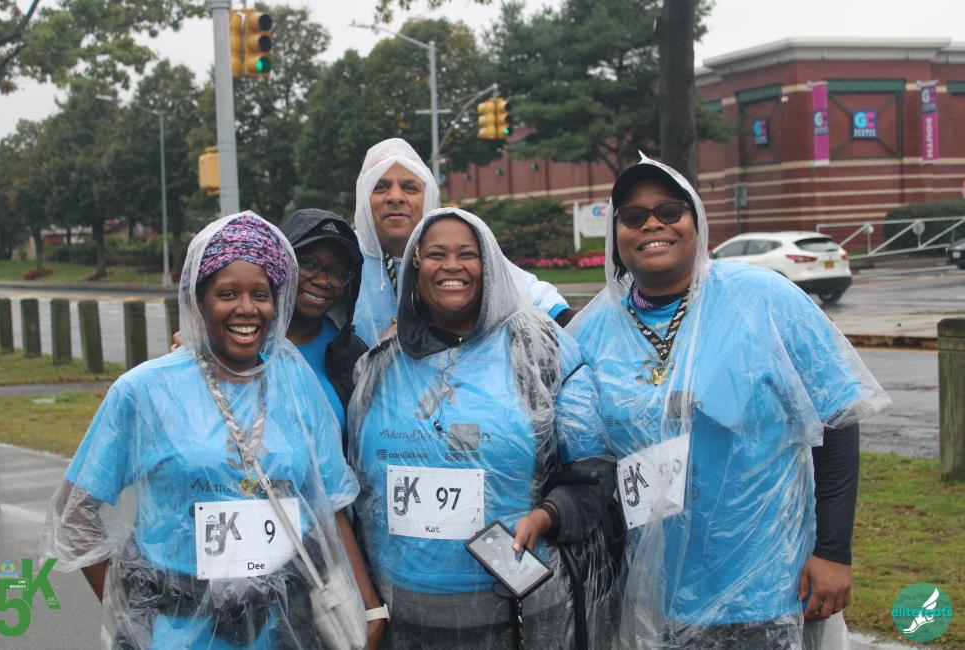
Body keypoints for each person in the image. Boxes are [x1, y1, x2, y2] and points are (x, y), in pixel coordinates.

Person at [568, 154, 891, 649]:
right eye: (633, 216)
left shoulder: (763, 299)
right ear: (615, 234)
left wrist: (833, 550)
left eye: (670, 211)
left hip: (769, 588)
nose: (652, 224)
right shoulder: (592, 332)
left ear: (696, 221)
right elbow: (582, 462)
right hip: (652, 596)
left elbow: (837, 420)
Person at [43, 212, 385, 649]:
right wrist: (128, 612)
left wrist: (370, 608)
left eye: (260, 294)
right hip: (179, 632)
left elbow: (329, 504)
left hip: (285, 628)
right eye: (227, 294)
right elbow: (74, 514)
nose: (247, 308)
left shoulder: (294, 381)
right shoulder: (145, 390)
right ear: (198, 300)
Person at [347, 207, 617, 649]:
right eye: (436, 254)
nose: (451, 266)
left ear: (490, 264)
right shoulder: (377, 368)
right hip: (403, 608)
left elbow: (593, 469)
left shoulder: (543, 351)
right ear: (415, 267)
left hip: (519, 608)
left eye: (467, 254)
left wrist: (546, 516)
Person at [351, 138, 574, 347]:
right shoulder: (345, 255)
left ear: (428, 197)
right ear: (362, 196)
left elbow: (539, 300)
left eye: (410, 187)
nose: (395, 197)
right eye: (380, 187)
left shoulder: (461, 249)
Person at [279, 208, 368, 433]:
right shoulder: (244, 341)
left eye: (338, 272)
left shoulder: (353, 355)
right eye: (309, 263)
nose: (322, 280)